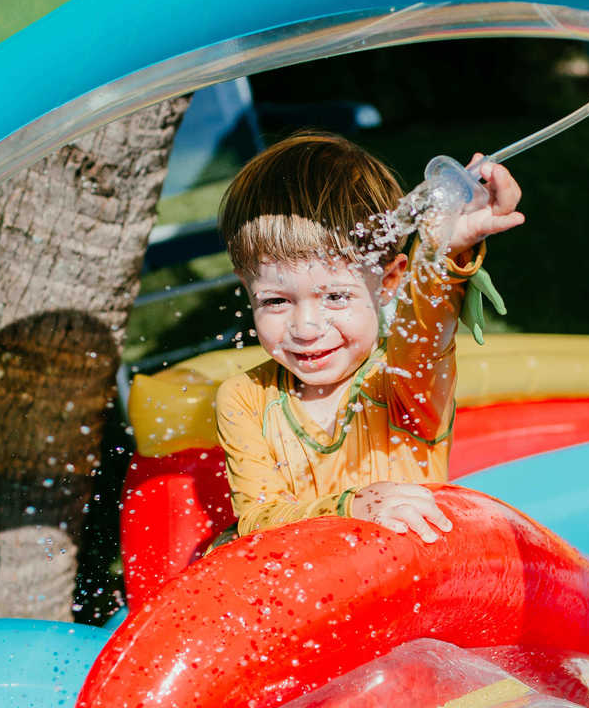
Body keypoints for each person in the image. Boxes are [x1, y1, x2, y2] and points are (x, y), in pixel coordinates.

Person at [214, 131, 524, 544]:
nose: (306, 328)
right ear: (247, 288)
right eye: (275, 301)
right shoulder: (245, 398)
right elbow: (259, 519)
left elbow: (426, 328)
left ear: (390, 281)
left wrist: (444, 251)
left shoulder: (402, 382)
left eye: (337, 296)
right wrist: (350, 507)